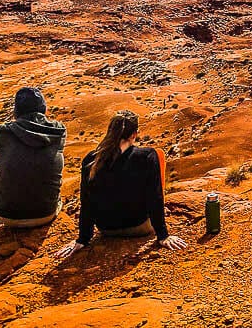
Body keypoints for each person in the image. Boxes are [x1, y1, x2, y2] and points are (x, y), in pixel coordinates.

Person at [54, 110, 186, 258]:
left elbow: (86, 201)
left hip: (106, 228)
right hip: (138, 226)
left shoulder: (91, 159)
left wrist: (83, 239)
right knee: (159, 156)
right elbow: (154, 196)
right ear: (134, 134)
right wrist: (163, 236)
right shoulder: (147, 156)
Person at [0, 87, 65, 227]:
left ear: (16, 111)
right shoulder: (57, 130)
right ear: (43, 108)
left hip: (5, 215)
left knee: (2, 160)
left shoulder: (2, 132)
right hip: (45, 213)